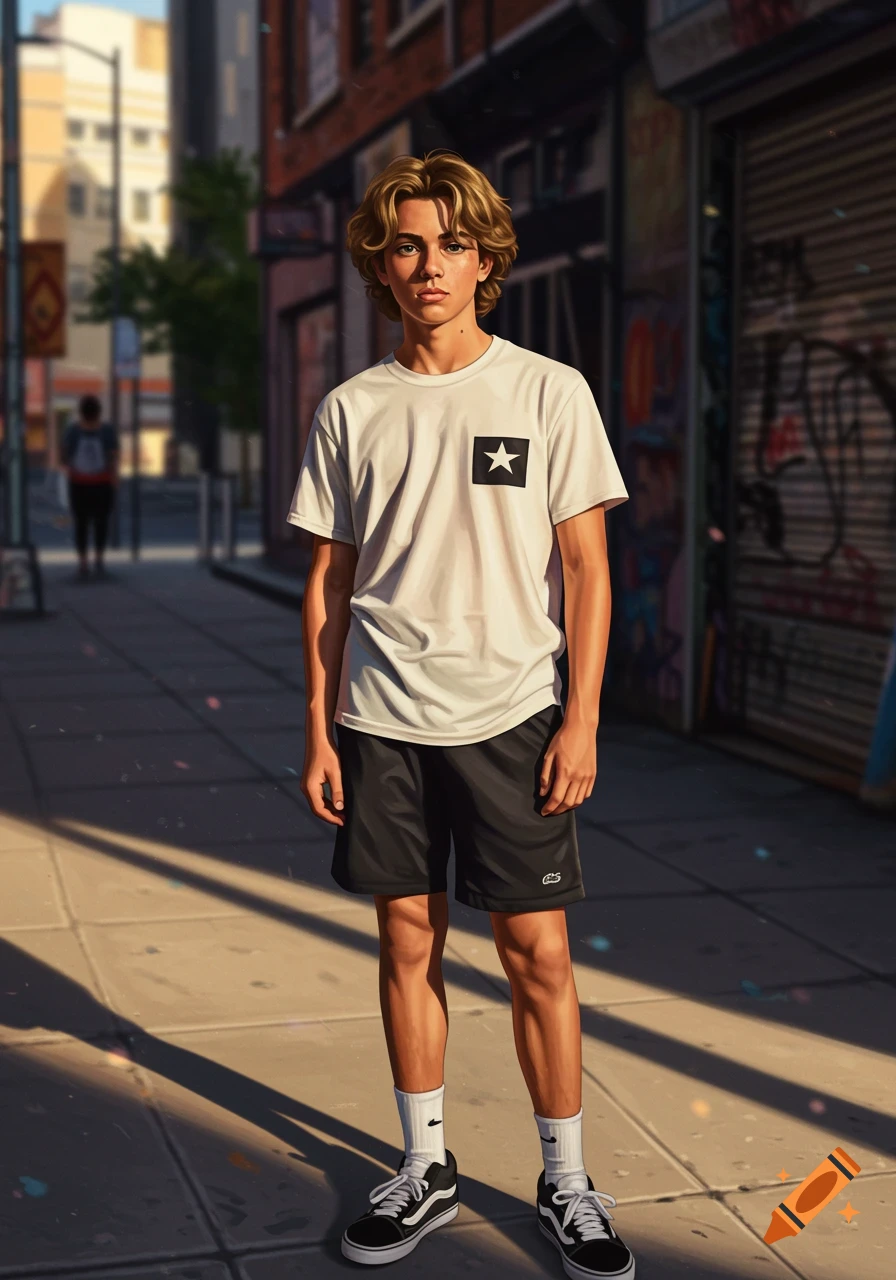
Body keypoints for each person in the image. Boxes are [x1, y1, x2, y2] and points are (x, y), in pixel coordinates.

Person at [290, 151, 632, 1278]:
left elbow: (584, 569)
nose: (426, 264)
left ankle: (566, 1177)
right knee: (405, 937)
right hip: (383, 715)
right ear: (378, 264)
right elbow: (330, 584)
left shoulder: (545, 391)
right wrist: (318, 724)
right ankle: (424, 1164)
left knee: (536, 952)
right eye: (404, 244)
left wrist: (581, 717)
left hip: (512, 718)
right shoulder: (353, 408)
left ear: (483, 257)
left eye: (448, 243)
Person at [61, 394, 119, 581]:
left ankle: (83, 563)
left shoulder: (72, 431)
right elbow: (113, 457)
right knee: (101, 523)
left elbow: (64, 456)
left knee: (81, 524)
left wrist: (70, 469)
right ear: (98, 412)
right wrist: (114, 478)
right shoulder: (107, 431)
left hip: (78, 483)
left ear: (81, 412)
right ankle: (99, 561)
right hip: (102, 483)